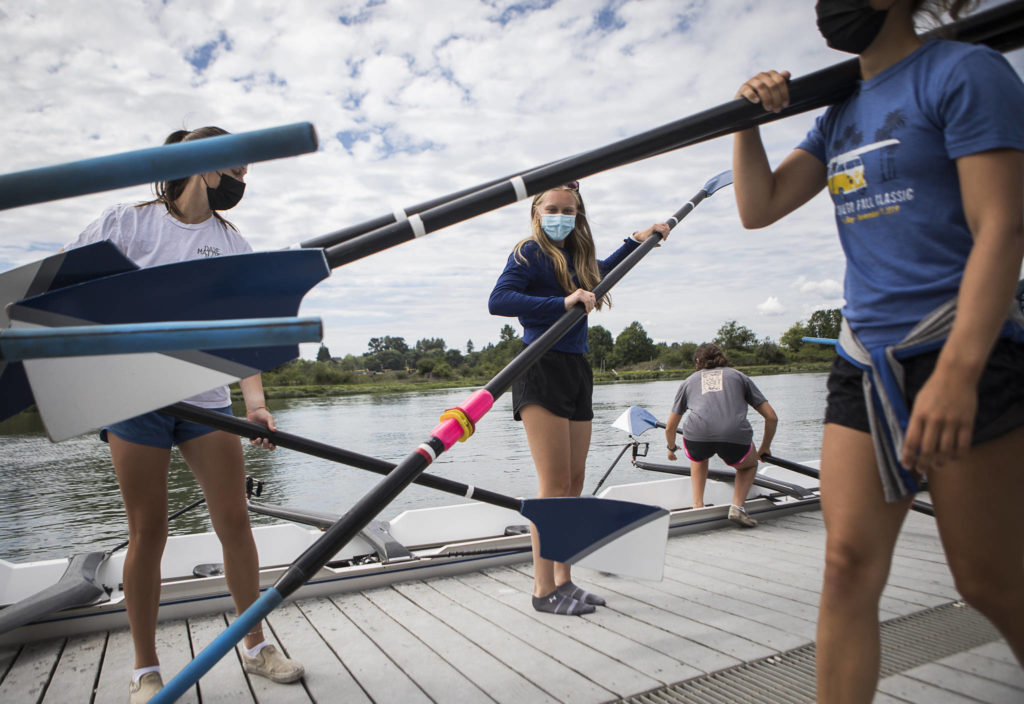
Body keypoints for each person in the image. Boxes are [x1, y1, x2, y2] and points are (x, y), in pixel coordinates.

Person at [731, 1, 1024, 700]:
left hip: (962, 349)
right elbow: (759, 206)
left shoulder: (964, 72)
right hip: (864, 363)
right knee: (846, 565)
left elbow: (1005, 228)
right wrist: (745, 123)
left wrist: (957, 373)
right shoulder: (837, 112)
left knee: (988, 578)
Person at [65, 126, 305, 703]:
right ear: (205, 165)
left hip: (203, 402)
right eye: (238, 170)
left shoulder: (232, 245)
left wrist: (257, 405)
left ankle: (255, 646)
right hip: (134, 399)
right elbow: (72, 292)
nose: (243, 181)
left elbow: (245, 337)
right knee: (149, 531)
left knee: (235, 523)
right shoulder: (126, 223)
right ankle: (145, 670)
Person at [488, 182, 669, 616]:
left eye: (568, 210)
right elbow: (499, 300)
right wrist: (562, 300)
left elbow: (602, 272)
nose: (560, 216)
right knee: (552, 488)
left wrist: (637, 241)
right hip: (540, 366)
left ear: (578, 215)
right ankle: (542, 588)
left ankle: (565, 581)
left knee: (573, 483)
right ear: (536, 212)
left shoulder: (577, 258)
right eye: (552, 208)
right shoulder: (528, 252)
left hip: (576, 369)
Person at [663, 343, 778, 526]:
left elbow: (670, 428)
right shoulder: (740, 377)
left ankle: (697, 506)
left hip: (697, 437)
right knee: (748, 465)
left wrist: (671, 449)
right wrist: (764, 447)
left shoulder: (688, 382)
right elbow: (771, 417)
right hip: (734, 438)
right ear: (721, 358)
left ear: (698, 361)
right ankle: (737, 507)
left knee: (698, 456)